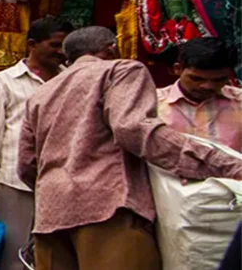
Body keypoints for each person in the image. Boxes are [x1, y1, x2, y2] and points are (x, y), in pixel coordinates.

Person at [18, 27, 242, 270]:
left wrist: (57, 189)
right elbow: (133, 130)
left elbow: (26, 164)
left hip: (51, 215)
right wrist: (228, 166)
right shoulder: (121, 69)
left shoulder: (42, 92)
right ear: (111, 49)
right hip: (107, 210)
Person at [0, 16, 72, 270]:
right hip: (17, 181)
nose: (61, 52)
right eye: (55, 45)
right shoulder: (5, 81)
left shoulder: (70, 79)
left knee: (55, 252)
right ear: (32, 45)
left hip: (63, 180)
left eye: (65, 46)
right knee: (15, 252)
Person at [156, 37, 241, 152]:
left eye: (218, 80)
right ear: (177, 69)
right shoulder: (151, 103)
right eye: (196, 79)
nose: (207, 86)